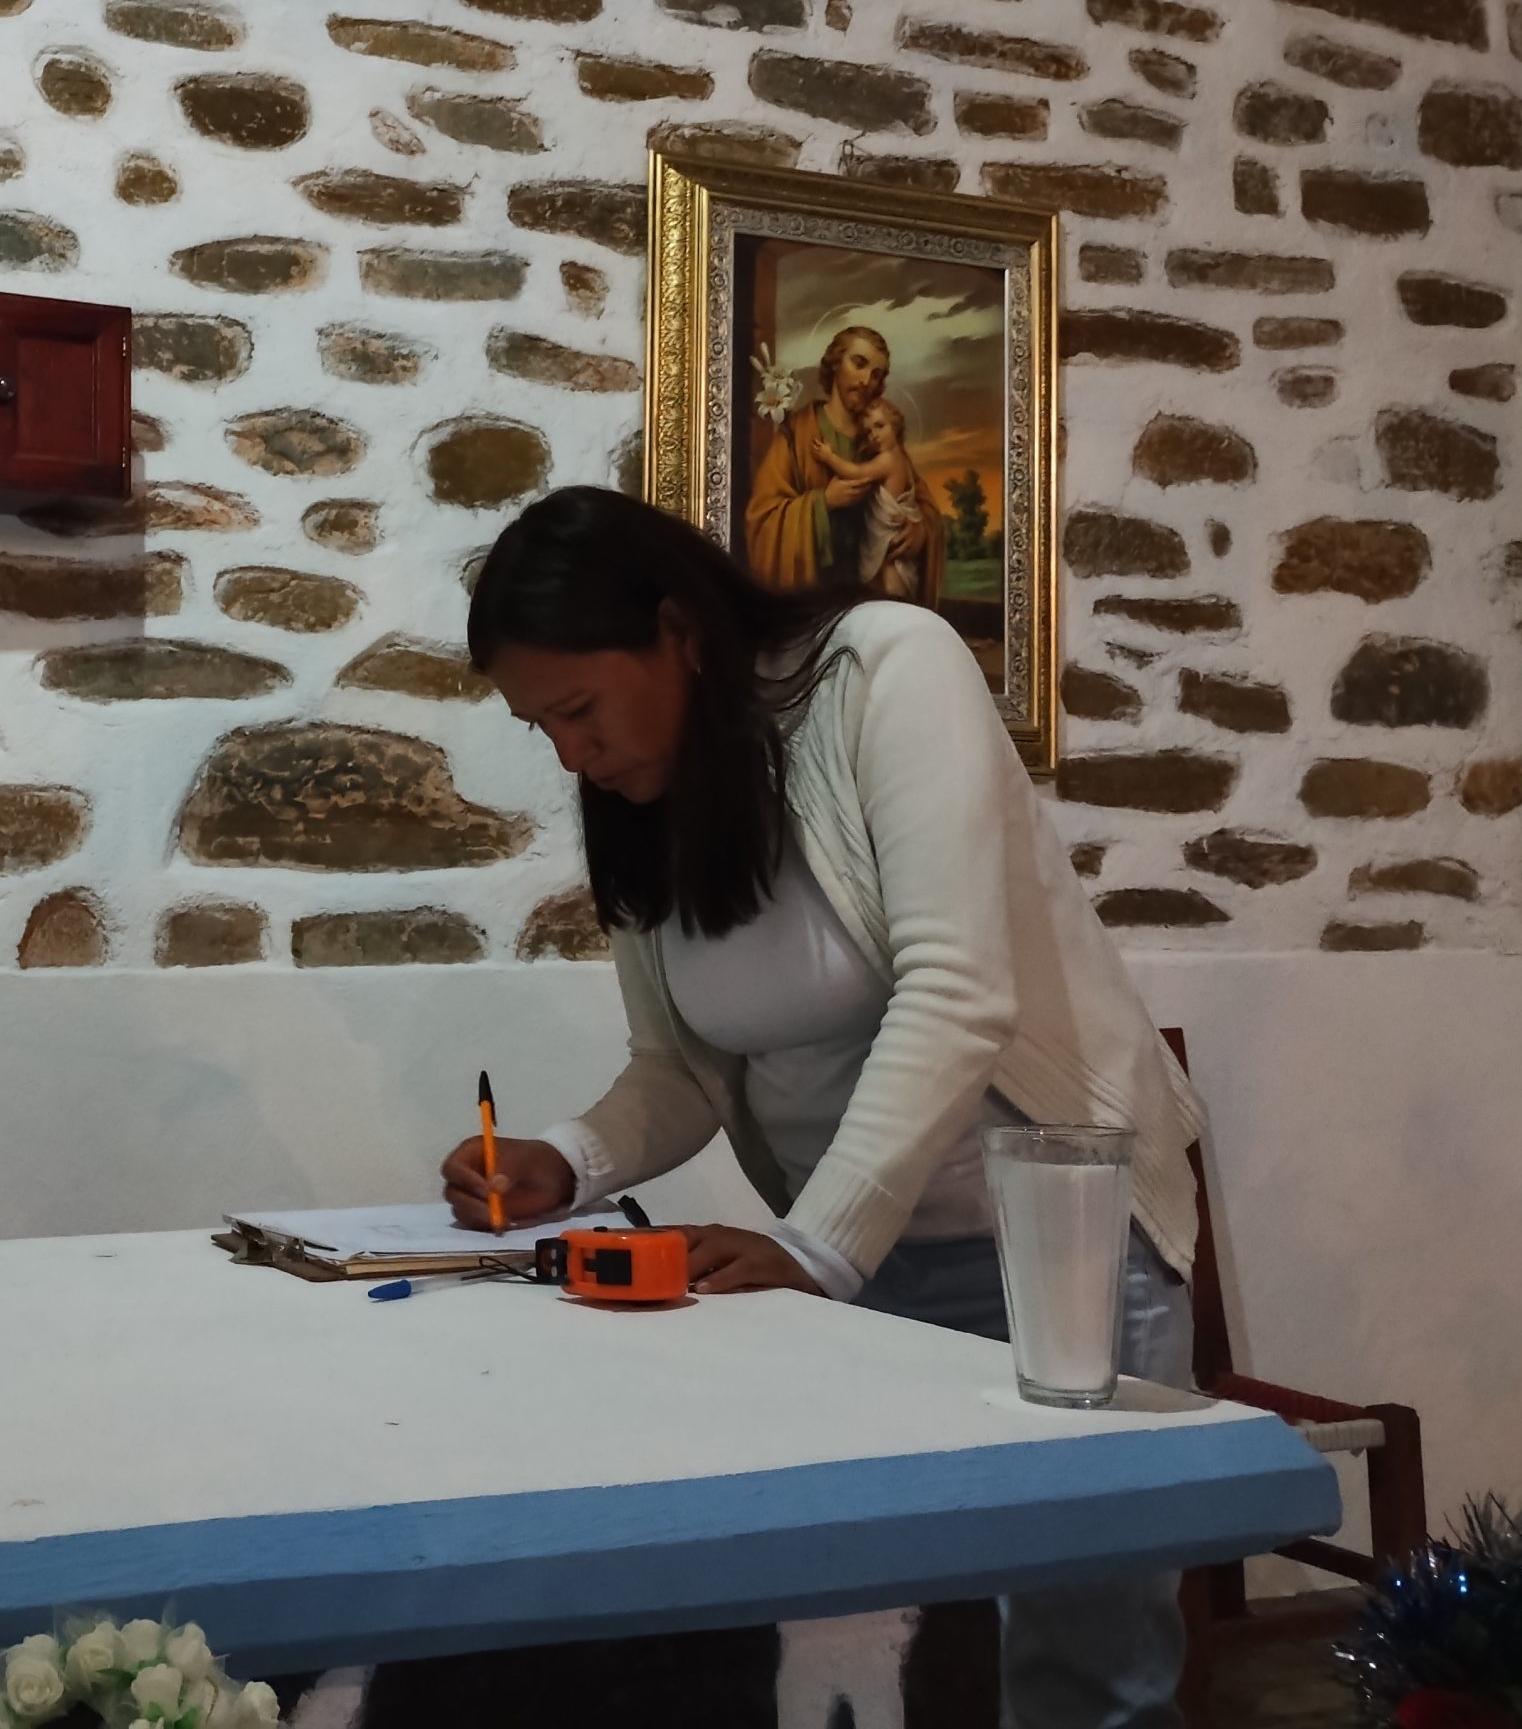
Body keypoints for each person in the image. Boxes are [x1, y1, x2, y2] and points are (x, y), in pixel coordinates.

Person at [441, 486, 1207, 1729]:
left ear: (678, 632)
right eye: (542, 728)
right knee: (904, 1657)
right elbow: (684, 1066)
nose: (571, 755)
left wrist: (812, 1248)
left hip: (1055, 1249)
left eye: (579, 708)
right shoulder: (645, 802)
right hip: (864, 1264)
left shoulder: (882, 667)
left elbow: (956, 990)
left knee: (1085, 1677)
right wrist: (566, 1160)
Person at [746, 325, 942, 609]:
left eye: (877, 374)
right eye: (859, 364)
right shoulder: (797, 433)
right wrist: (823, 502)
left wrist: (920, 531)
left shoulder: (880, 441)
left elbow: (921, 504)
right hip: (817, 604)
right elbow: (762, 520)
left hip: (874, 599)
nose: (866, 381)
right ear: (836, 363)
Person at [811, 397, 928, 601]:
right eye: (868, 432)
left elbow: (856, 473)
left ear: (895, 426)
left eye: (879, 426)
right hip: (888, 534)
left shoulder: (888, 459)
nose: (874, 435)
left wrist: (829, 457)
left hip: (888, 537)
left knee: (891, 585)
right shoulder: (901, 457)